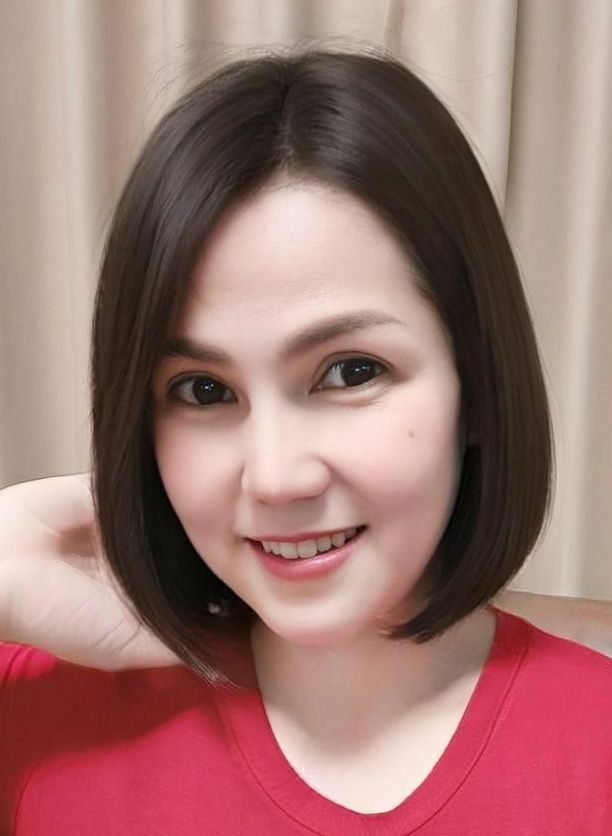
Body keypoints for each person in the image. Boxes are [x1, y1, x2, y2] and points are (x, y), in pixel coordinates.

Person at [1, 45, 610, 835]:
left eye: (351, 372)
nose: (276, 476)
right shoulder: (39, 714)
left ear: (479, 385)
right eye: (203, 390)